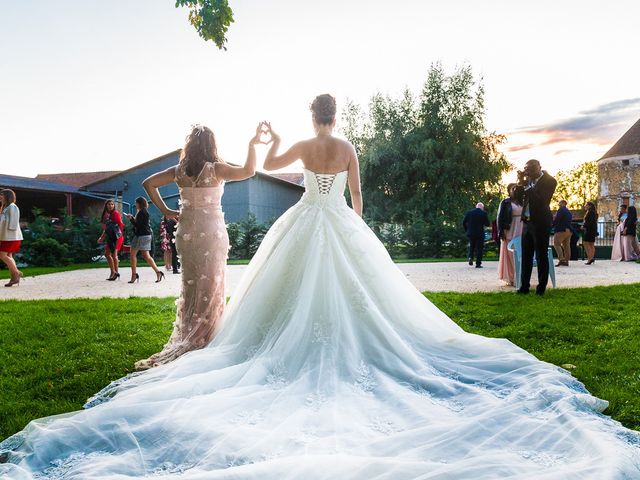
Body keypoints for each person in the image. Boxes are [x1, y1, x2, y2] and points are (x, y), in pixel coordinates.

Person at [3, 97, 640, 479]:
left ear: (314, 117)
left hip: (305, 220)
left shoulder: (306, 145)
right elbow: (357, 200)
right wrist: (354, 228)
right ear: (338, 117)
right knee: (353, 290)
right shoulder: (349, 147)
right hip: (336, 221)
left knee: (282, 287)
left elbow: (272, 167)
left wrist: (272, 141)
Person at [132, 123, 262, 370]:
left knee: (191, 285)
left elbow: (148, 183)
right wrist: (251, 145)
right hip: (211, 232)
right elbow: (248, 171)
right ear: (212, 145)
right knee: (212, 283)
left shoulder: (178, 170)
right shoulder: (216, 169)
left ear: (189, 146)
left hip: (187, 231)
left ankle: (192, 333)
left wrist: (166, 210)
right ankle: (208, 336)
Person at [514, 159, 557, 295]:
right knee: (526, 256)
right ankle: (524, 287)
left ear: (539, 167)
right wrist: (520, 183)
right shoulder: (528, 181)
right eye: (526, 169)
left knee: (540, 255)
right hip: (527, 222)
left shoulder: (549, 181)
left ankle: (541, 288)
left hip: (541, 222)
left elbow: (541, 200)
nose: (528, 171)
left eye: (531, 168)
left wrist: (528, 186)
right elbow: (517, 198)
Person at [124, 196, 164, 284]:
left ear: (139, 203)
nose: (135, 205)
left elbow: (139, 225)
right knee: (145, 256)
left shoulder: (143, 212)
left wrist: (131, 219)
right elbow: (140, 224)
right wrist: (133, 218)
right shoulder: (142, 211)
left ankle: (134, 275)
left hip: (142, 235)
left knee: (133, 255)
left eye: (136, 203)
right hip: (143, 235)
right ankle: (158, 272)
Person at [497, 183, 523, 285]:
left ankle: (521, 276)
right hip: (510, 228)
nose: (515, 190)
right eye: (513, 189)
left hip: (521, 227)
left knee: (521, 254)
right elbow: (500, 217)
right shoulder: (505, 202)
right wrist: (501, 231)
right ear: (509, 191)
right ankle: (512, 278)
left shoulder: (522, 201)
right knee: (511, 255)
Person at [0, 189, 24, 287]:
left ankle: (16, 274)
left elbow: (12, 224)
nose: (0, 196)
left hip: (11, 237)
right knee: (8, 256)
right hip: (7, 237)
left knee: (2, 255)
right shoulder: (6, 208)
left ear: (7, 196)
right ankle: (14, 277)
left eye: (2, 194)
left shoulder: (12, 207)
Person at [97, 199, 124, 281]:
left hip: (116, 237)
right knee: (107, 254)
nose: (111, 206)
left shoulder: (115, 213)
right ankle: (113, 272)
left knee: (114, 254)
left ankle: (115, 273)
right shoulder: (107, 215)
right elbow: (106, 229)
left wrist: (118, 236)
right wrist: (101, 237)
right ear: (106, 206)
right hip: (110, 237)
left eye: (112, 204)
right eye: (109, 204)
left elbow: (120, 225)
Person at [462, 202, 489, 268]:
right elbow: (487, 224)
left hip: (471, 233)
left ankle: (470, 257)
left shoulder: (469, 212)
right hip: (480, 233)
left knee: (472, 246)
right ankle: (478, 264)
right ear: (482, 207)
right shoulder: (484, 213)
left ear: (476, 206)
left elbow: (464, 222)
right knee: (479, 249)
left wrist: (467, 230)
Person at [552, 199, 572, 266]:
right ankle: (566, 261)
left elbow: (557, 219)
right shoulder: (568, 211)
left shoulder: (561, 210)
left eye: (560, 203)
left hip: (561, 230)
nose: (558, 204)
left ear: (563, 203)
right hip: (568, 230)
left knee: (556, 244)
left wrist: (551, 225)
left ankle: (561, 259)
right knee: (566, 246)